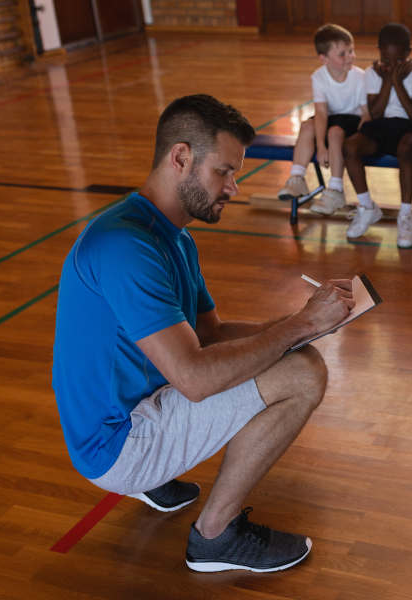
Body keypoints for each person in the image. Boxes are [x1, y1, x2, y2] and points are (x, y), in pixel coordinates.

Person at [51, 94, 355, 573]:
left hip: (132, 410)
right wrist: (299, 331)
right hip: (116, 443)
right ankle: (214, 537)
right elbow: (195, 378)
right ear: (181, 157)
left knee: (289, 351)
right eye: (224, 171)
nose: (234, 186)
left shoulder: (170, 236)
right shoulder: (126, 246)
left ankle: (156, 477)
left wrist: (301, 322)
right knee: (304, 373)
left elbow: (210, 335)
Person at [343, 23, 412, 246]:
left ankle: (405, 215)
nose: (391, 65)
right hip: (381, 126)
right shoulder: (372, 74)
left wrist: (398, 82)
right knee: (350, 146)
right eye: (386, 60)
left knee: (407, 149)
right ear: (379, 51)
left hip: (408, 127)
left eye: (397, 61)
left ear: (408, 54)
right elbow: (376, 113)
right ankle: (367, 206)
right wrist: (388, 80)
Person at [278, 24, 368, 215]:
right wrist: (321, 147)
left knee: (335, 132)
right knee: (307, 126)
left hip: (352, 121)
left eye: (351, 51)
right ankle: (297, 178)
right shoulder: (318, 77)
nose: (350, 57)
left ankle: (335, 189)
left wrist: (362, 137)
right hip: (332, 118)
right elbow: (321, 112)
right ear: (323, 59)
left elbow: (365, 113)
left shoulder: (360, 77)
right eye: (342, 54)